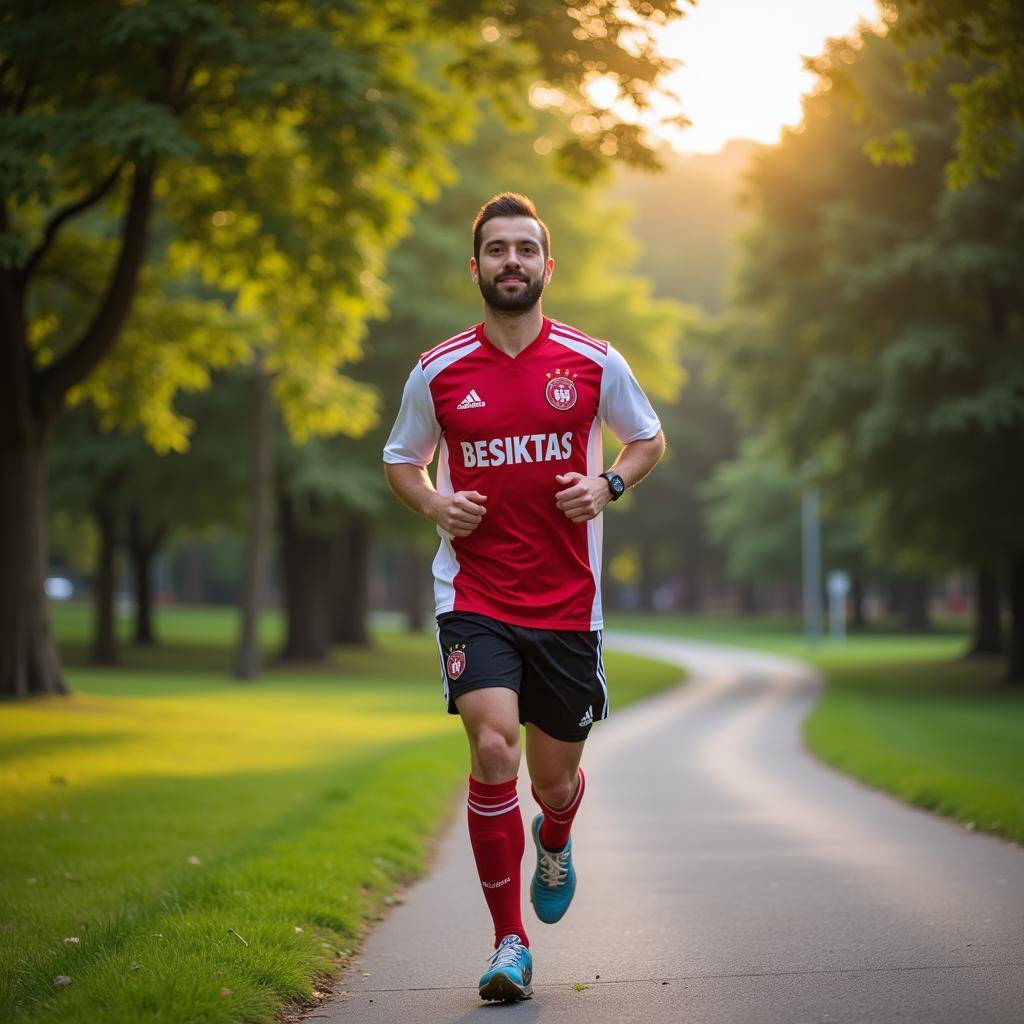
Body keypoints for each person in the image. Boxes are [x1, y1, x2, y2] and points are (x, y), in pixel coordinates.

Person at [382, 192, 665, 1002]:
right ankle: (510, 942)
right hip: (473, 593)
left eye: (525, 250)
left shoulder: (593, 360)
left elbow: (647, 436)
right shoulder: (438, 371)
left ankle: (558, 833)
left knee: (552, 781)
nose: (512, 262)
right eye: (497, 250)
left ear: (547, 265)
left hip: (569, 605)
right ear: (476, 268)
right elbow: (404, 459)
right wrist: (434, 503)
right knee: (494, 747)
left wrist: (609, 483)